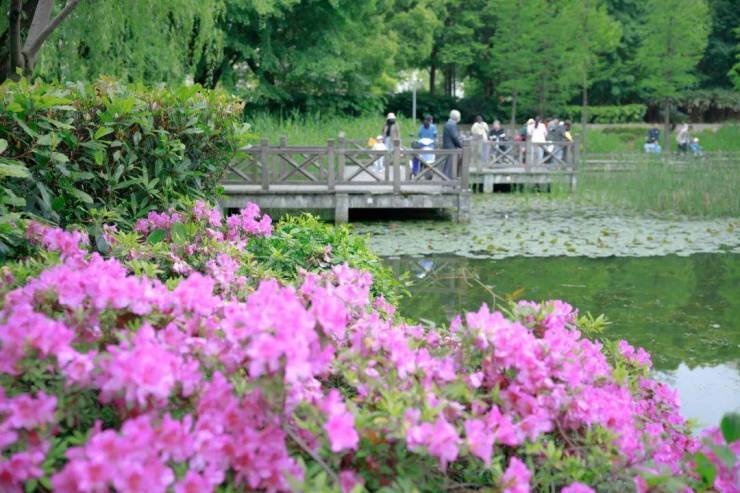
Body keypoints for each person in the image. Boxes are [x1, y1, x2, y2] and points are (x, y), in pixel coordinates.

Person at [442, 109, 463, 179]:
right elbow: (455, 137)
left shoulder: (449, 123)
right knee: (449, 166)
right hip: (451, 148)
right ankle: (447, 180)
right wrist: (462, 145)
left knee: (448, 165)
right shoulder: (452, 124)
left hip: (448, 147)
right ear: (457, 117)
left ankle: (447, 179)